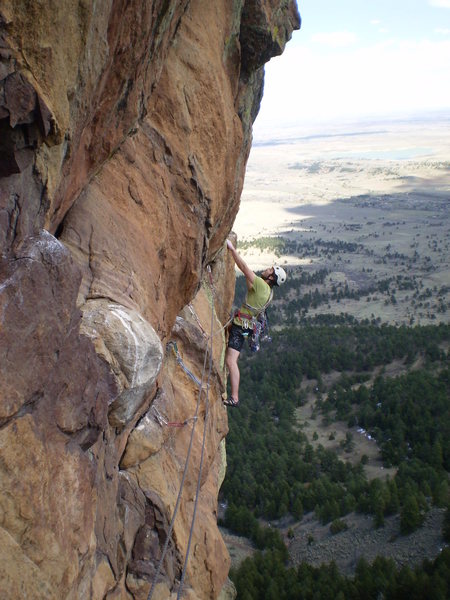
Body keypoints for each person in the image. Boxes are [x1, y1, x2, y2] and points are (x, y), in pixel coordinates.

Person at [224, 239, 287, 407]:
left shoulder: (262, 286)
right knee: (229, 354)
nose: (267, 270)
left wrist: (232, 250)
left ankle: (235, 397)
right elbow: (250, 287)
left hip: (240, 327)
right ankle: (233, 394)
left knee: (231, 361)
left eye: (270, 270)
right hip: (245, 327)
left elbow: (244, 269)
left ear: (271, 277)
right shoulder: (268, 292)